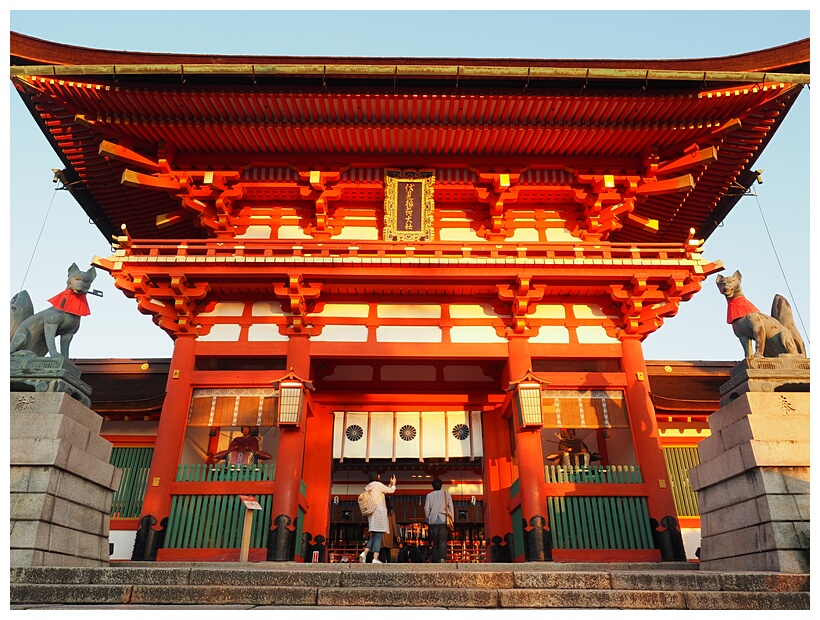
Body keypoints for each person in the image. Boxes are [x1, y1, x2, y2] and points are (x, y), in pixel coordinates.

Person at [359, 469, 396, 564]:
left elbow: (384, 491)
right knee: (379, 535)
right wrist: (394, 484)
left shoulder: (368, 487)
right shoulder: (378, 485)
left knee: (375, 534)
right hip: (379, 513)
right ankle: (375, 558)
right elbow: (391, 491)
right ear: (377, 476)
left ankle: (365, 553)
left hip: (372, 514)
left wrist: (389, 485)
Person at [424, 478, 454, 563]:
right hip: (443, 520)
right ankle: (442, 558)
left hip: (433, 521)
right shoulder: (446, 494)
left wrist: (428, 519)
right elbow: (451, 507)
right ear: (441, 486)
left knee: (435, 542)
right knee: (443, 541)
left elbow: (426, 509)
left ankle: (435, 559)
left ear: (432, 486)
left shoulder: (429, 496)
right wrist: (452, 518)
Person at [378, 495, 402, 563]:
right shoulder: (391, 512)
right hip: (389, 533)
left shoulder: (379, 510)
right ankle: (388, 566)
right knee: (388, 552)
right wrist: (396, 535)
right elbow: (394, 524)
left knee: (382, 552)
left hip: (381, 533)